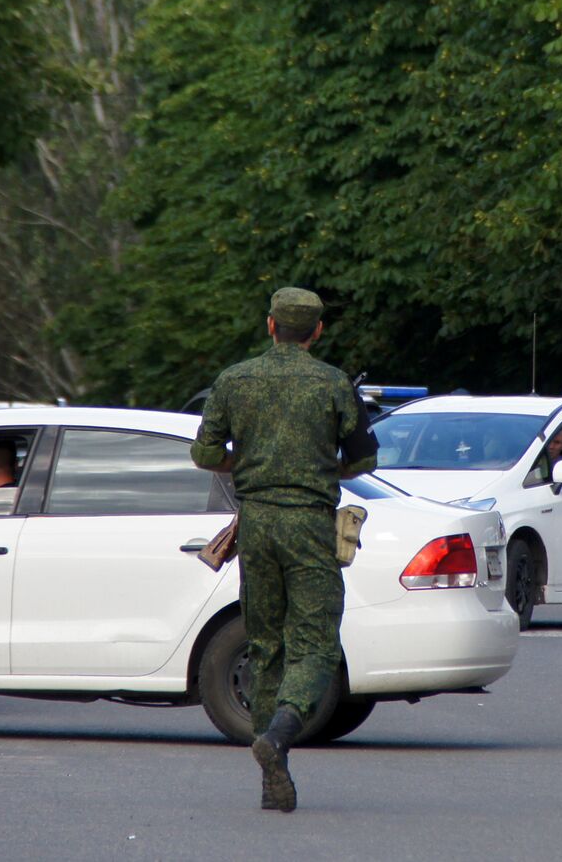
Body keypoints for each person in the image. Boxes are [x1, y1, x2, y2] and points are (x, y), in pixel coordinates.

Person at [191, 287, 378, 813]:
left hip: (255, 526)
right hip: (309, 526)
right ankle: (279, 733)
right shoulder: (334, 383)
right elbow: (364, 459)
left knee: (265, 644)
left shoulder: (234, 380)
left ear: (270, 325)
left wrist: (249, 465)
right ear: (317, 331)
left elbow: (204, 452)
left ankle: (270, 770)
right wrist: (321, 468)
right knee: (315, 646)